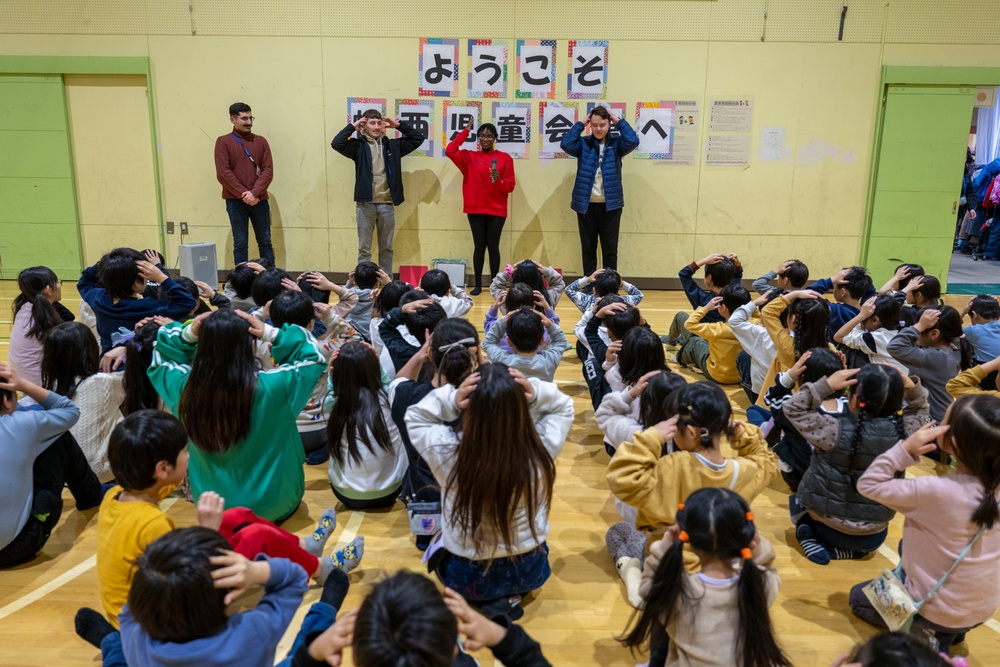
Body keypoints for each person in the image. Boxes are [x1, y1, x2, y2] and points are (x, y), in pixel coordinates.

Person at [406, 363, 574, 618]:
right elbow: (564, 406)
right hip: (529, 572)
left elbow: (415, 417)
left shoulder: (447, 454)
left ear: (470, 408)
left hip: (468, 577)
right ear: (521, 408)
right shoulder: (541, 450)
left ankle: (489, 601)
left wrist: (452, 398)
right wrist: (536, 392)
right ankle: (509, 598)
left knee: (438, 538)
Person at [850, 397, 1000, 655]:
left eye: (943, 422)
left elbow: (868, 484)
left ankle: (930, 637)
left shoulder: (935, 491)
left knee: (857, 597)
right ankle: (954, 632)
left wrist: (905, 449)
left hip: (935, 610)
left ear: (951, 443)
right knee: (904, 545)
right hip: (982, 609)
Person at [147, 309, 326, 522]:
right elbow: (313, 356)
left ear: (201, 346)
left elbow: (160, 356)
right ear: (251, 344)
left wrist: (188, 334)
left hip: (214, 510)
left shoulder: (183, 390)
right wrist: (271, 333)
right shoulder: (276, 387)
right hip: (276, 504)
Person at [620, 487, 790, 667]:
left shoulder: (677, 591)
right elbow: (766, 566)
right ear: (744, 536)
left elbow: (647, 587)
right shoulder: (758, 585)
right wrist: (756, 544)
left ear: (689, 539)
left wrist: (667, 543)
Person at [782, 363, 929, 564]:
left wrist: (825, 385)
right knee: (867, 543)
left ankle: (808, 536)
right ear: (898, 401)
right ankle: (851, 552)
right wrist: (911, 386)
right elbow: (920, 408)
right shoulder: (906, 435)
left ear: (856, 400)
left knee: (796, 501)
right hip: (873, 538)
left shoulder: (833, 429)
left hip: (825, 527)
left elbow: (792, 407)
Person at [606, 382, 778, 545]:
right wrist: (741, 433)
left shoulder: (672, 467)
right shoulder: (746, 471)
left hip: (670, 560)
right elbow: (765, 459)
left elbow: (621, 478)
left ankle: (632, 571)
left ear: (690, 432)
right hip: (720, 558)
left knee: (619, 532)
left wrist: (652, 436)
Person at [0, 362, 105, 568]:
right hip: (14, 548)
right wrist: (22, 384)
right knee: (57, 437)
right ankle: (90, 495)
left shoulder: (22, 422)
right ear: (5, 400)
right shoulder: (23, 424)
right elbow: (69, 410)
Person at [331, 109, 425, 274]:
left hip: (386, 204)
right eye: (371, 123)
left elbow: (418, 138)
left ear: (383, 126)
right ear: (364, 125)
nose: (375, 126)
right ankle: (363, 282)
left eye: (379, 123)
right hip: (364, 205)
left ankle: (386, 283)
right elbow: (337, 143)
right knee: (364, 249)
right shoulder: (358, 147)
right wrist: (353, 127)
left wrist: (398, 125)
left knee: (386, 248)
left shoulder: (393, 146)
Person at [325, 341, 407, 510]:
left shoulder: (334, 404)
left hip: (346, 495)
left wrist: (331, 377)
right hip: (390, 492)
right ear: (374, 368)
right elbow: (387, 385)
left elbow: (333, 393)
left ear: (337, 372)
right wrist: (378, 365)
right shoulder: (391, 398)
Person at [560, 106, 640, 275]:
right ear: (590, 124)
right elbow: (565, 144)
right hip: (585, 205)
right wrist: (581, 124)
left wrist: (619, 121)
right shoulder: (583, 143)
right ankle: (590, 284)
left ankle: (609, 285)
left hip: (611, 206)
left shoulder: (617, 144)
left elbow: (633, 140)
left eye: (602, 125)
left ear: (609, 124)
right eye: (594, 125)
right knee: (588, 249)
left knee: (610, 250)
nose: (598, 129)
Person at [41, 322, 125, 482]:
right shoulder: (105, 382)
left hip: (65, 472)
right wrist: (128, 347)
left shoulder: (50, 387)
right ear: (90, 350)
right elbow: (147, 374)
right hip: (102, 471)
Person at [78, 248, 197, 354]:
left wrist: (109, 262)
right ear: (136, 283)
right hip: (137, 367)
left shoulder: (98, 299)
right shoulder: (147, 306)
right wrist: (161, 276)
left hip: (108, 365)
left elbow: (85, 281)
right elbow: (187, 302)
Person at [446, 119, 516, 295]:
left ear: (495, 138)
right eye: (482, 136)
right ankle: (477, 284)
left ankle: (495, 284)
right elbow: (450, 150)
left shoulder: (505, 158)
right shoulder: (469, 157)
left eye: (489, 136)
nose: (485, 139)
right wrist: (465, 131)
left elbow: (509, 186)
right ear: (478, 138)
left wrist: (498, 179)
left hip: (497, 210)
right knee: (479, 246)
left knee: (493, 246)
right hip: (475, 208)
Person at [887, 306, 974, 425]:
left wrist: (919, 326)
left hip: (930, 420)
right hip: (940, 416)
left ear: (934, 334)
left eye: (922, 328)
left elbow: (894, 347)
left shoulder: (935, 357)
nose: (918, 332)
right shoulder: (952, 349)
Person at [214, 102, 274, 265]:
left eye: (250, 118)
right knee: (240, 244)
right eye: (244, 118)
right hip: (235, 201)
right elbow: (223, 173)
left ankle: (270, 279)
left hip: (259, 200)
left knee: (266, 242)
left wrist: (254, 193)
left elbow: (268, 171)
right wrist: (245, 194)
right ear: (232, 120)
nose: (249, 122)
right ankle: (243, 282)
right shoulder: (223, 142)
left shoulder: (261, 141)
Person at [9, 266, 74, 387]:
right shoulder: (43, 320)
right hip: (39, 384)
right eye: (58, 282)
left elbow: (68, 317)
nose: (59, 286)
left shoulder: (24, 306)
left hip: (22, 378)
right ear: (48, 289)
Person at [483, 307, 569, 382]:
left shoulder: (502, 360)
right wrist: (550, 324)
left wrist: (502, 321)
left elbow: (488, 342)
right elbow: (560, 341)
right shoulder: (549, 360)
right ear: (542, 340)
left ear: (509, 341)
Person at [833, 295, 906, 372]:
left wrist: (861, 316)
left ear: (875, 320)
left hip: (890, 382)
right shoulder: (900, 331)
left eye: (865, 317)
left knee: (848, 348)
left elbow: (838, 336)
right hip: (905, 379)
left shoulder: (875, 338)